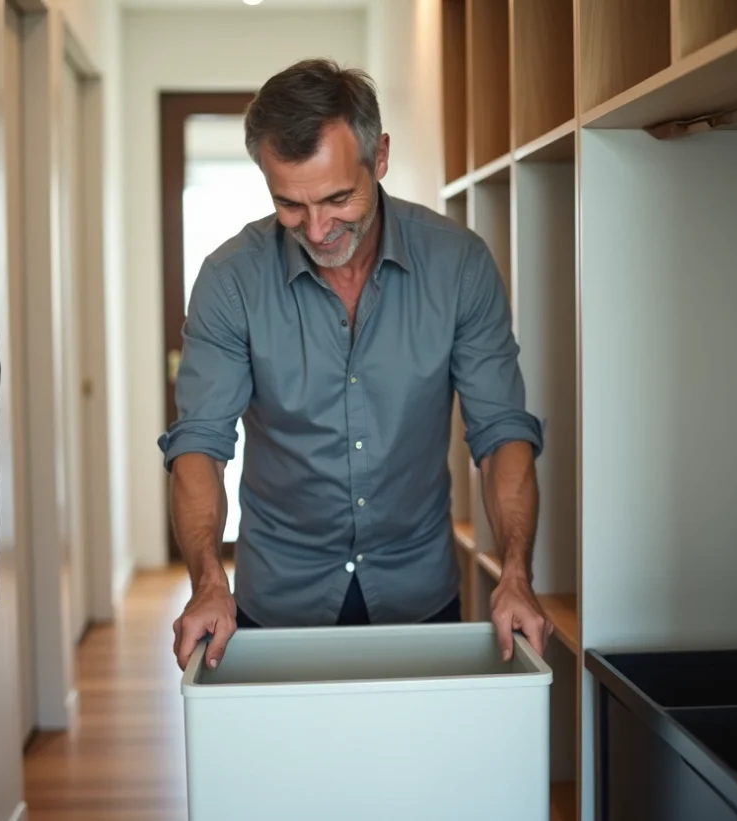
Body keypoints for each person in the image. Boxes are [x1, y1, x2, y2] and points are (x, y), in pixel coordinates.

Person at [158, 58, 552, 671]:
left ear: (382, 157)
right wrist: (208, 580)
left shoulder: (459, 267)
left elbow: (501, 432)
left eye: (339, 198)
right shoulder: (230, 280)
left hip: (419, 594)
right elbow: (200, 444)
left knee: (412, 768)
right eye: (290, 204)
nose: (316, 229)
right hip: (276, 600)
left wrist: (518, 573)